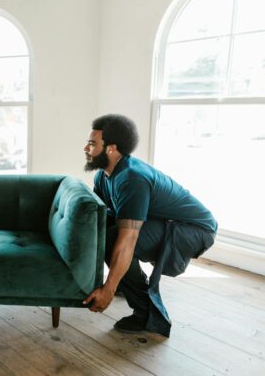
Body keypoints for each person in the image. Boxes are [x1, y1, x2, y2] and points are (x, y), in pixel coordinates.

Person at [82, 114, 217, 337]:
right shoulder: (103, 177)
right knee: (107, 233)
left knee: (115, 242)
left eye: (93, 143)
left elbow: (127, 241)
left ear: (111, 149)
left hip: (194, 230)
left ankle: (147, 314)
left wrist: (108, 288)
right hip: (170, 222)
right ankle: (129, 285)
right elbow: (101, 220)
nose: (86, 148)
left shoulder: (131, 178)